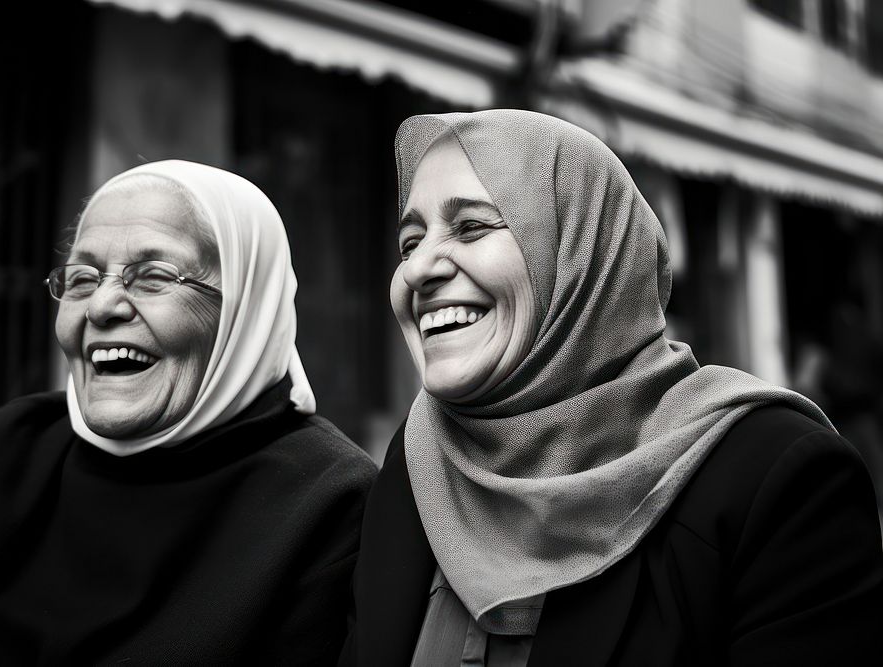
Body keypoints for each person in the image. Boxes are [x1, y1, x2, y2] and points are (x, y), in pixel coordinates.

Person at [341, 110, 883, 666]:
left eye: (472, 227)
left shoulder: (775, 480)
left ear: (584, 254)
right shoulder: (421, 462)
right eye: (409, 242)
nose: (418, 270)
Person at [0, 160, 376, 664]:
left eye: (153, 276)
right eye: (81, 278)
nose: (101, 307)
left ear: (245, 312)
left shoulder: (332, 504)